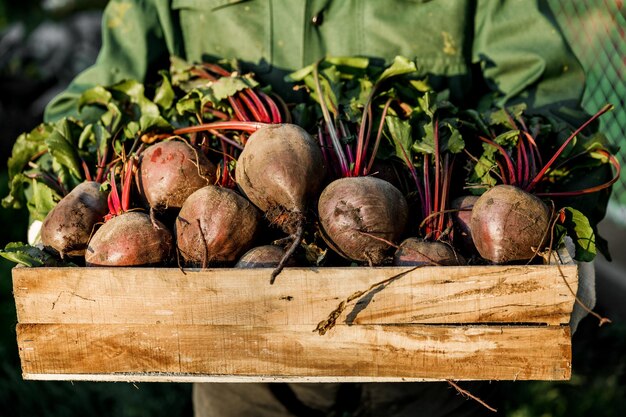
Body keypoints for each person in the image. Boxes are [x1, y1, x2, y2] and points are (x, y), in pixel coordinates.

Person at [44, 1, 598, 416]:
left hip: (435, 351)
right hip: (239, 359)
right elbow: (102, 93)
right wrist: (80, 194)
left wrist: (555, 227)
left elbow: (544, 93)